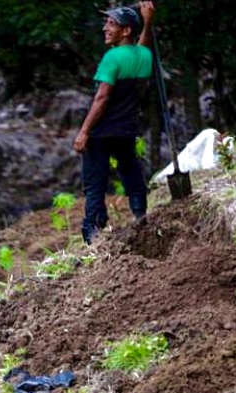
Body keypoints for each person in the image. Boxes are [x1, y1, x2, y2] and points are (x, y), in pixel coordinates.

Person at [74, 2, 155, 243]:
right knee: (130, 171)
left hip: (101, 131)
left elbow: (102, 98)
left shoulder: (112, 58)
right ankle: (140, 216)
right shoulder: (144, 56)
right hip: (126, 129)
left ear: (126, 31)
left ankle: (92, 234)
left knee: (94, 183)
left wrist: (84, 131)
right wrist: (148, 21)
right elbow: (142, 45)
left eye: (112, 24)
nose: (105, 28)